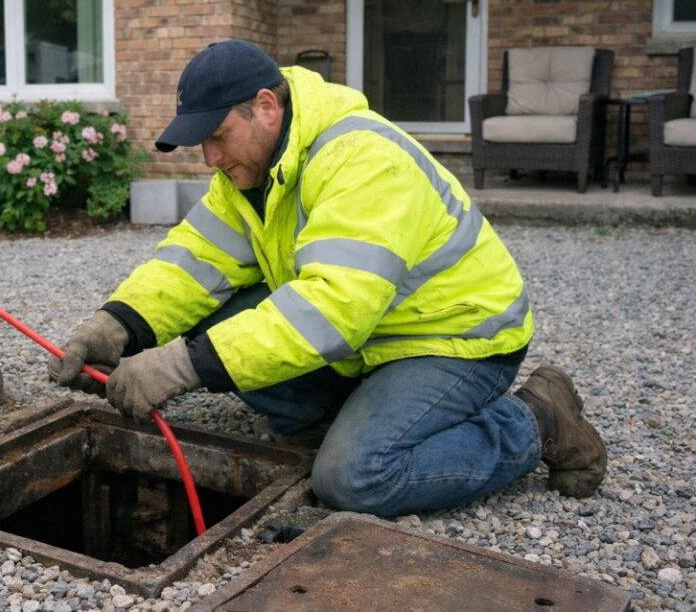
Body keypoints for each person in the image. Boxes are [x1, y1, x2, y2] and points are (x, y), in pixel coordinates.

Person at [48, 39, 606, 517]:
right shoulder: (252, 169)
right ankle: (353, 414)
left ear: (266, 107)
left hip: (454, 340)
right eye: (201, 143)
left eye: (217, 135)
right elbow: (193, 263)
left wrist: (180, 364)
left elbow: (333, 309)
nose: (209, 157)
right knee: (219, 316)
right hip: (372, 338)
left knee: (352, 478)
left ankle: (535, 418)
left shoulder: (361, 158)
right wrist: (119, 326)